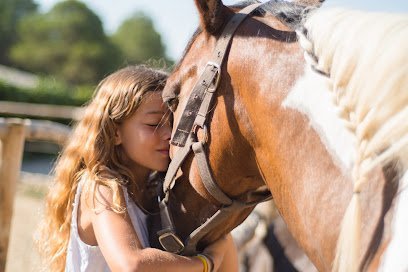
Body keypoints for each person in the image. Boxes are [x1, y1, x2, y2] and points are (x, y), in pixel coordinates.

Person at [37, 65, 238, 272]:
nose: (169, 134)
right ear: (115, 133)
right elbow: (131, 265)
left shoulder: (156, 190)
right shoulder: (101, 186)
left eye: (173, 123)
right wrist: (206, 262)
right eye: (153, 124)